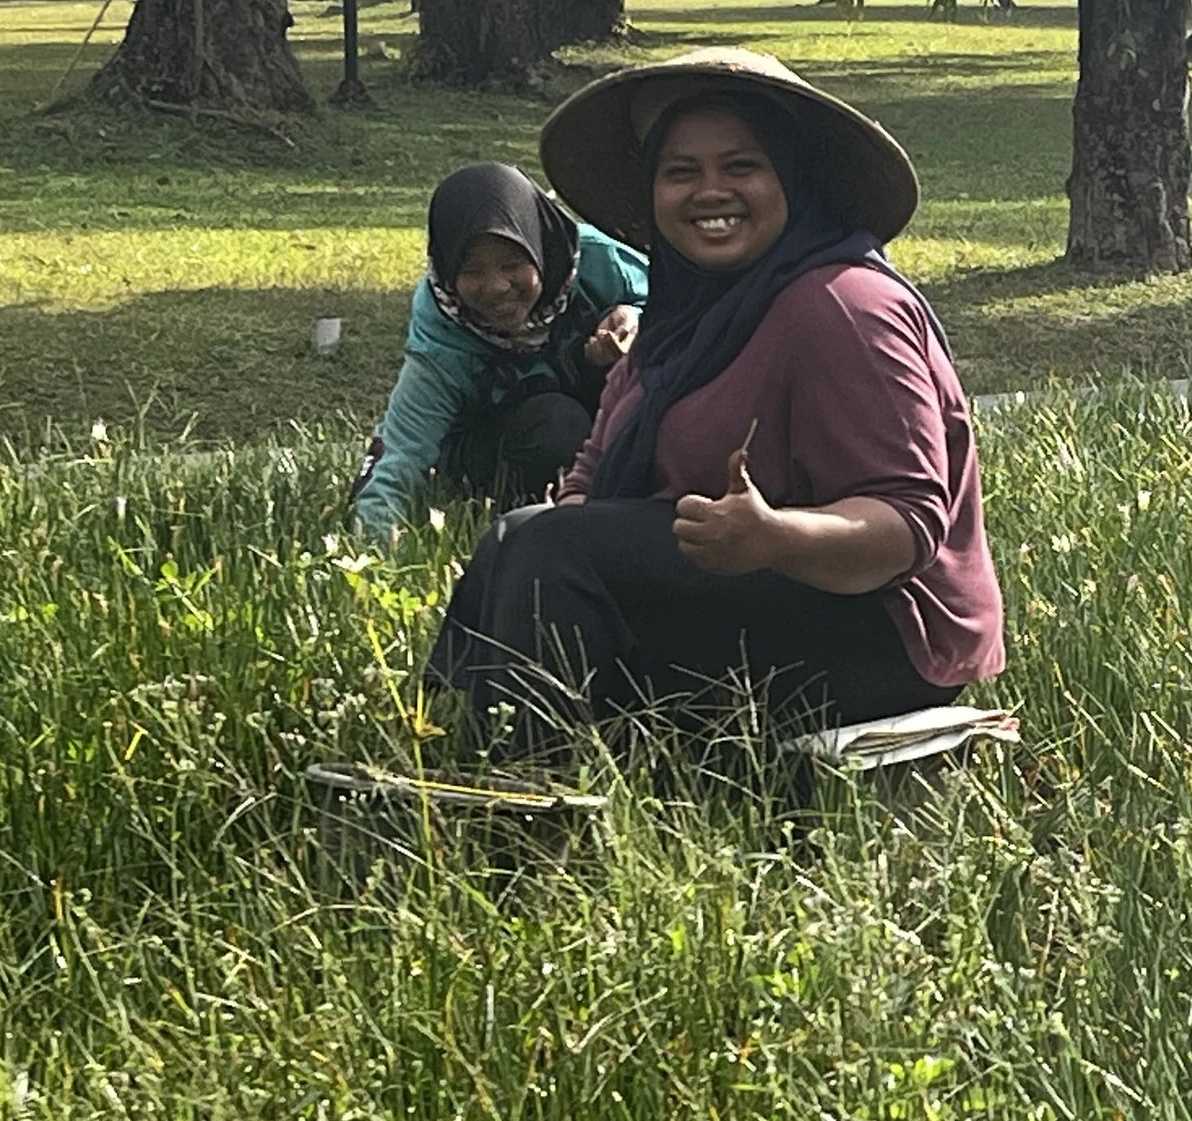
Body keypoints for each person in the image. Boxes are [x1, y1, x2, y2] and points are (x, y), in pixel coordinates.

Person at [424, 46, 1002, 740]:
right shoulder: (678, 321)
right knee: (516, 539)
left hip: (883, 637)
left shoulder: (843, 306)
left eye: (741, 167)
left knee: (552, 551)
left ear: (792, 178)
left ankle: (532, 779)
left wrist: (775, 537)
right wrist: (558, 540)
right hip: (738, 592)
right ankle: (456, 744)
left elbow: (905, 526)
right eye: (681, 173)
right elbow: (590, 479)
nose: (710, 192)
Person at [353, 164, 647, 535]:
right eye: (473, 271)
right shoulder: (444, 326)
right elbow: (401, 450)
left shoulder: (599, 262)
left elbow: (687, 312)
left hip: (608, 428)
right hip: (503, 446)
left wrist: (638, 320)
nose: (496, 287)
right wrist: (372, 543)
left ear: (540, 248)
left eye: (512, 264)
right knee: (558, 423)